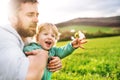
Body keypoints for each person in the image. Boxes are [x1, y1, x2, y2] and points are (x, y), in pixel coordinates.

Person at [0, 0, 62, 80]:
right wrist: (42, 57)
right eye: (30, 15)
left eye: (37, 15)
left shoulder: (26, 39)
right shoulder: (5, 40)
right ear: (13, 18)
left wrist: (52, 61)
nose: (36, 20)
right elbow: (24, 76)